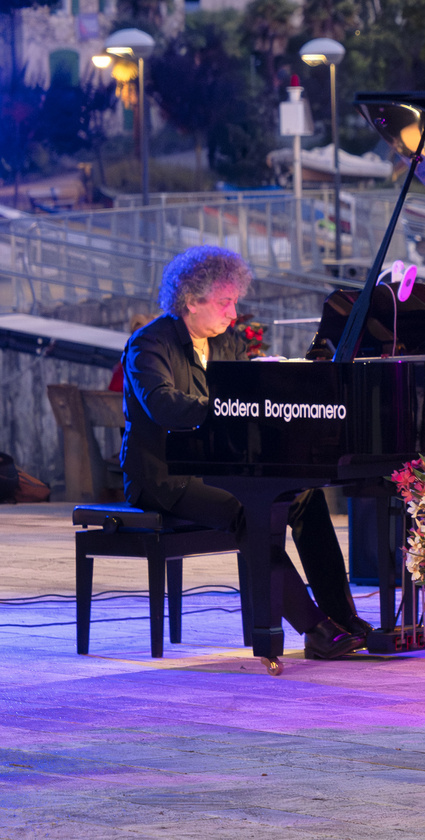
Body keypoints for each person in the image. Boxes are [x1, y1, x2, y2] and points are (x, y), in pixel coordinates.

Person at [121, 245, 370, 660]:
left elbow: (247, 405)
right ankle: (314, 628)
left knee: (305, 497)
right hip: (164, 476)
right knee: (247, 510)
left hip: (220, 466)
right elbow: (163, 405)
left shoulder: (228, 343)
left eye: (234, 301)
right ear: (190, 300)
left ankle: (342, 615)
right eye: (224, 302)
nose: (233, 313)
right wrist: (232, 405)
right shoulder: (149, 344)